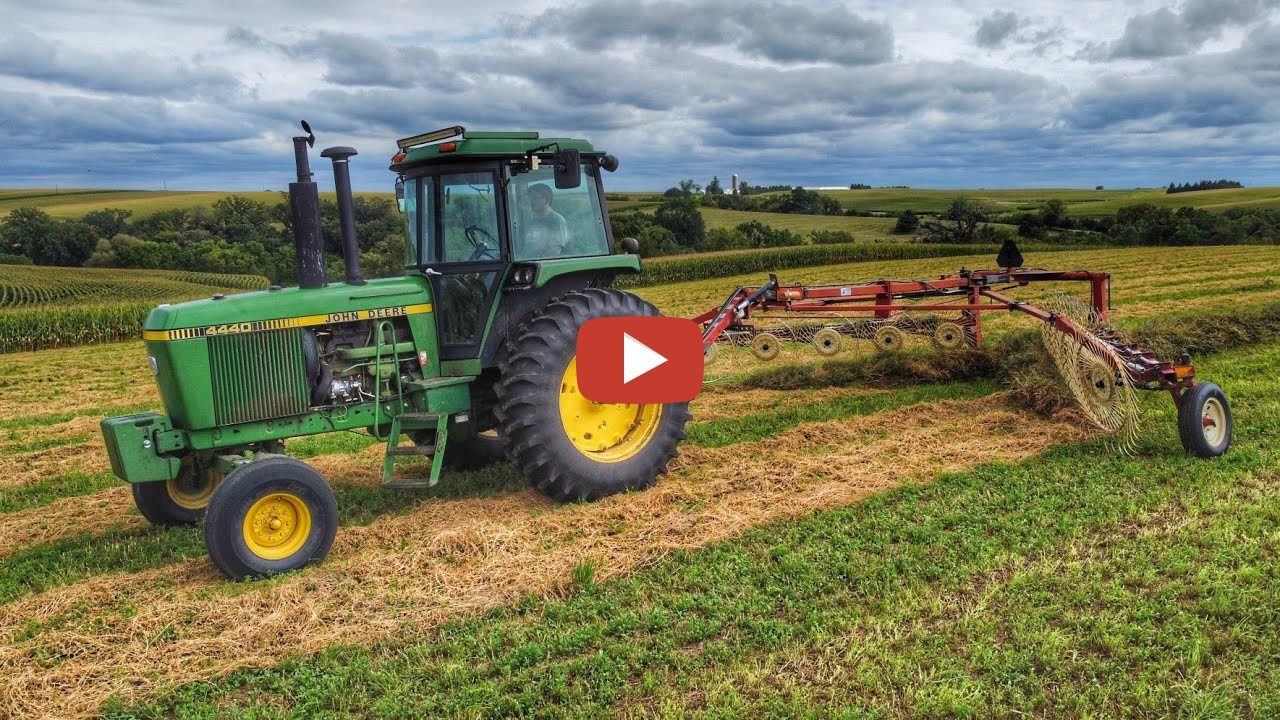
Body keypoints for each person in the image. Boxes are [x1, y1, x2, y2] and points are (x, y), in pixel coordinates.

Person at [523, 183, 570, 257]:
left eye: (535, 198)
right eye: (530, 199)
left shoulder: (556, 220)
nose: (531, 202)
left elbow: (554, 251)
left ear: (546, 199)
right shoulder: (532, 221)